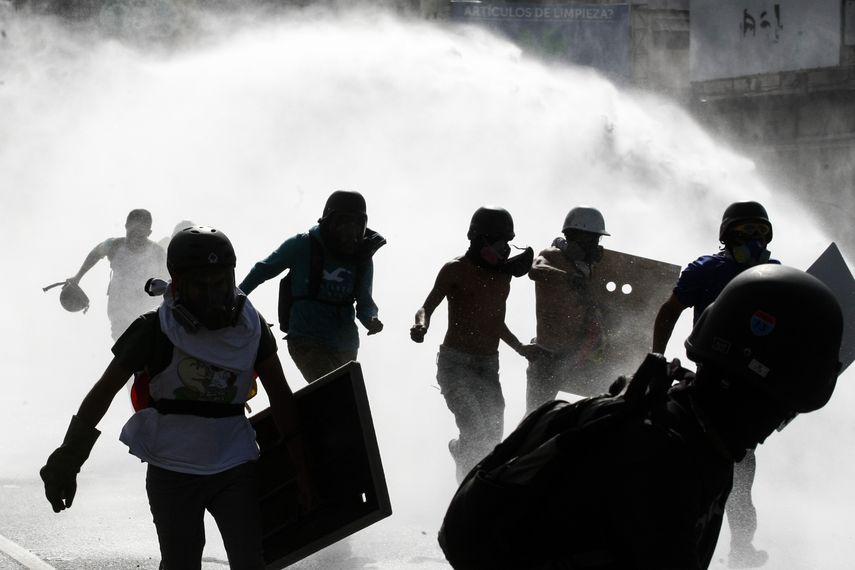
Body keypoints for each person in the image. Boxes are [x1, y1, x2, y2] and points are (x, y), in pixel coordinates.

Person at [441, 264, 843, 570]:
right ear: (760, 396)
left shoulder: (693, 437)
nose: (778, 424)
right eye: (784, 409)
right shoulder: (664, 466)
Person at [40, 226, 311, 570]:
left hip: (235, 467)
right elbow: (103, 392)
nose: (214, 297)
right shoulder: (152, 329)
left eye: (222, 284)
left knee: (251, 562)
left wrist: (302, 471)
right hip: (172, 470)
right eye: (201, 286)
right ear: (178, 283)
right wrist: (69, 457)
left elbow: (282, 399)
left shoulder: (252, 327)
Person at [652, 200, 777, 568]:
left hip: (749, 390)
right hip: (705, 382)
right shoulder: (705, 269)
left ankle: (741, 550)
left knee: (741, 484)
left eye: (760, 232)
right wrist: (658, 357)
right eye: (745, 232)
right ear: (727, 236)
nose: (753, 240)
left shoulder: (775, 274)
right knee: (683, 471)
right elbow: (670, 309)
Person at [410, 206, 541, 483]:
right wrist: (420, 325)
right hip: (454, 365)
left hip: (487, 367)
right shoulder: (455, 270)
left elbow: (494, 321)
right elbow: (426, 307)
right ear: (479, 240)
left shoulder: (503, 276)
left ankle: (463, 455)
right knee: (474, 429)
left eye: (507, 243)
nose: (505, 250)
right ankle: (464, 490)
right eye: (499, 243)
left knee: (493, 438)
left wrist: (520, 348)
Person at [239, 190, 385, 383]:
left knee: (344, 395)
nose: (351, 231)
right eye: (345, 222)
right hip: (306, 339)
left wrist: (371, 319)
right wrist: (235, 298)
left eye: (357, 223)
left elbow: (365, 302)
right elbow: (262, 270)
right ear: (330, 221)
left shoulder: (362, 258)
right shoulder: (303, 245)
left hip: (345, 343)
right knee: (332, 389)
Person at [526, 206, 610, 414]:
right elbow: (535, 269)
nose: (595, 245)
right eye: (591, 240)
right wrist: (567, 277)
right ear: (574, 236)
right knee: (533, 418)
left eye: (597, 240)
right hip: (548, 357)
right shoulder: (552, 256)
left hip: (577, 356)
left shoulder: (586, 266)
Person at [65, 208, 167, 340]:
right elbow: (95, 254)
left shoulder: (158, 253)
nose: (136, 237)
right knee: (123, 347)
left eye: (140, 234)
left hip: (147, 313)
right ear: (125, 227)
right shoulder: (114, 245)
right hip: (119, 311)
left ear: (149, 232)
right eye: (133, 232)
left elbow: (168, 280)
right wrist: (78, 277)